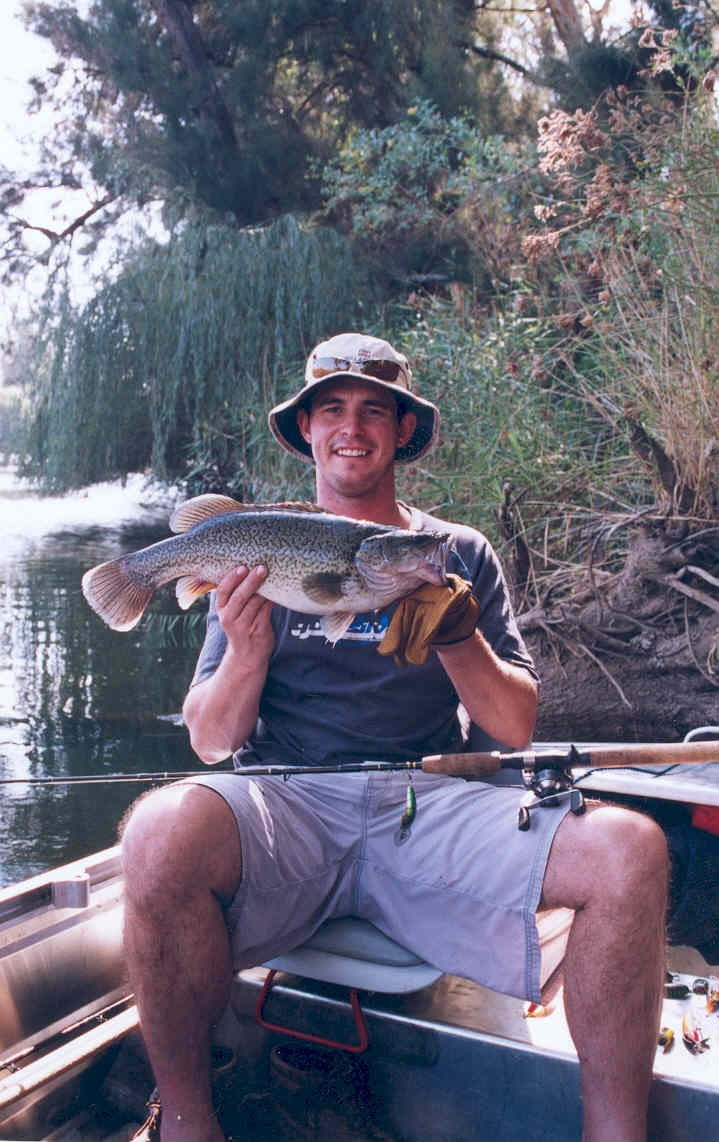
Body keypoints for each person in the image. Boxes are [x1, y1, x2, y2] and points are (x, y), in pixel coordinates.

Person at [122, 332, 669, 1142]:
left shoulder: (457, 553)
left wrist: (456, 637)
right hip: (286, 804)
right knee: (157, 831)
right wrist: (247, 650)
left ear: (402, 432)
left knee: (631, 849)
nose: (353, 428)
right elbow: (210, 741)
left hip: (429, 802)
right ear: (305, 429)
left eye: (374, 411)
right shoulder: (257, 548)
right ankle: (189, 1123)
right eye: (332, 410)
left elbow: (512, 726)